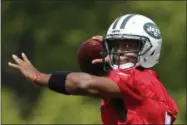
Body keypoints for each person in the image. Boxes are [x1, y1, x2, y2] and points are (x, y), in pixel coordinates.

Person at [8, 14, 178, 124]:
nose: (120, 52)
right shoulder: (152, 85)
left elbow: (84, 84)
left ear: (150, 47)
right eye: (116, 46)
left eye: (129, 45)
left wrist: (39, 77)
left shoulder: (137, 80)